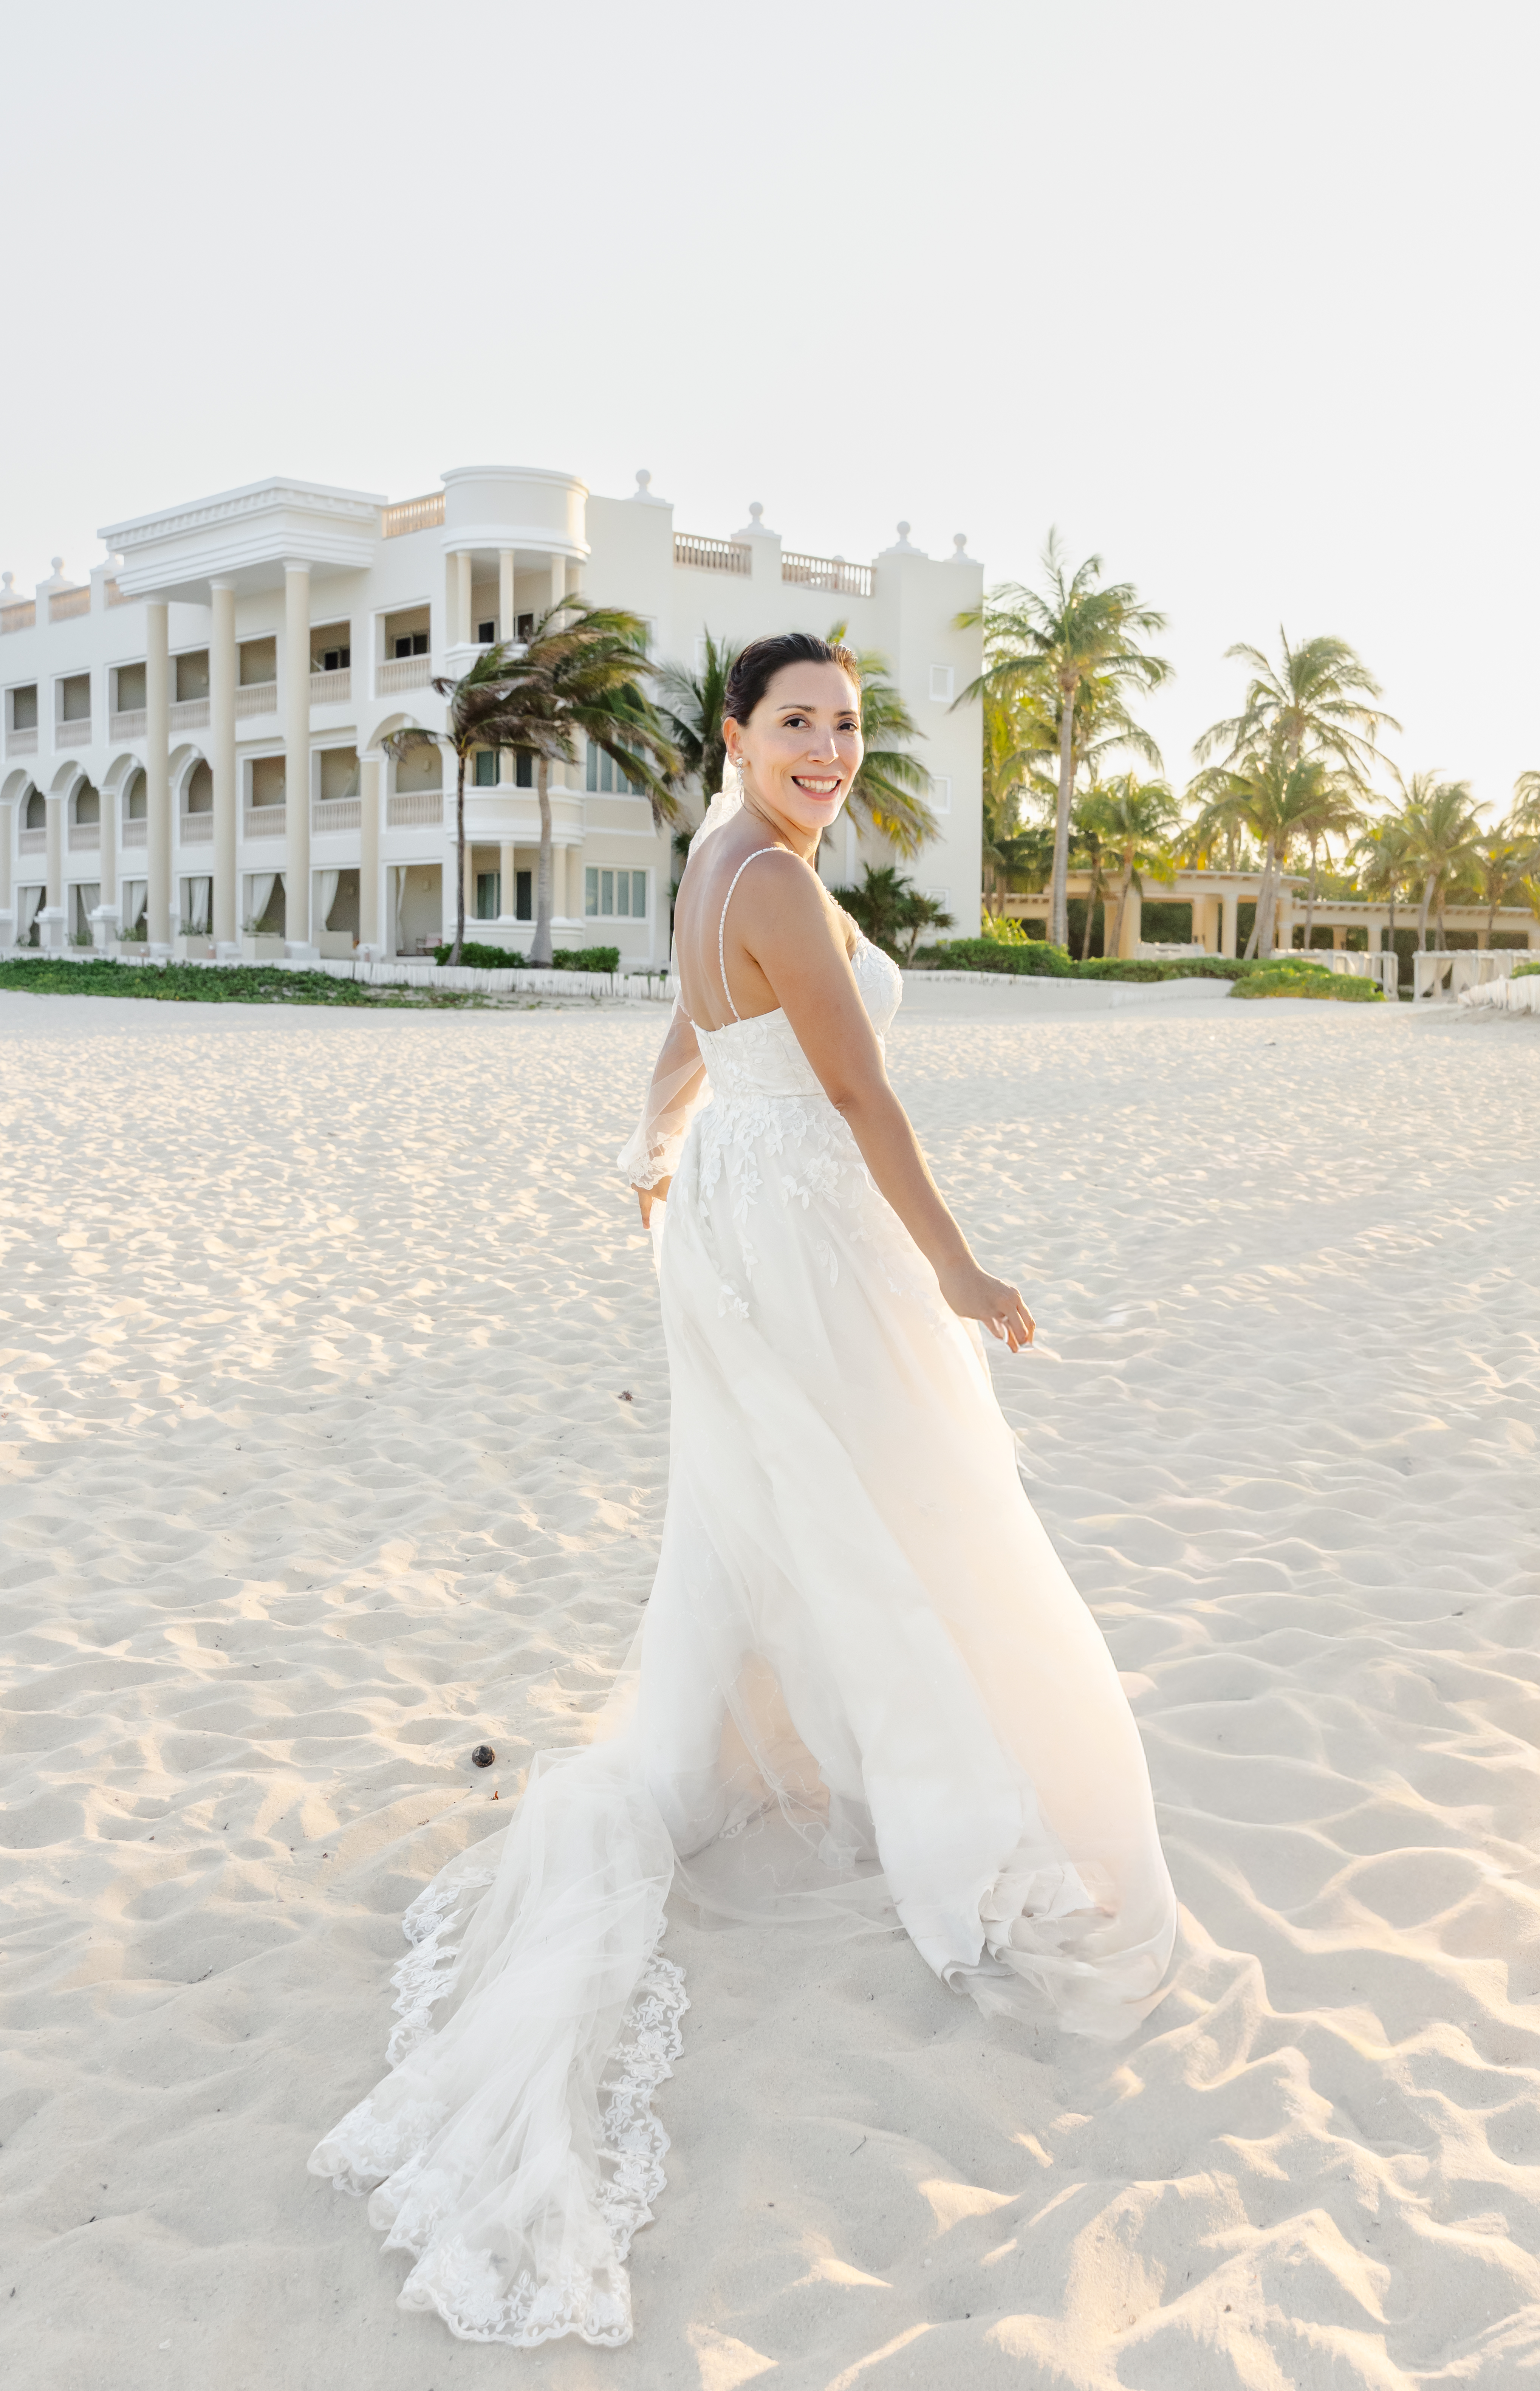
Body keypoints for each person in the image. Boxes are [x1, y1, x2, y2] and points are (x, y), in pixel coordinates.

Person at [310, 632, 1177, 2351]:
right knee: (906, 1512)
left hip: (734, 1208)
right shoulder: (768, 876)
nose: (828, 751)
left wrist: (654, 1146)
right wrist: (954, 1267)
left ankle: (789, 1742)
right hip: (808, 1226)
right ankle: (951, 1819)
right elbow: (859, 1090)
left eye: (847, 729)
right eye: (799, 725)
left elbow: (689, 1037)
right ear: (739, 733)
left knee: (782, 1507)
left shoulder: (714, 860)